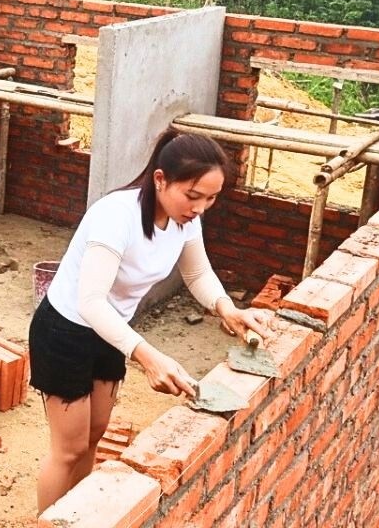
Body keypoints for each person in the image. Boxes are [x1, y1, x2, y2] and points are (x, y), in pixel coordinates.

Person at [29, 129, 275, 513]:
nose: (200, 208)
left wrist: (228, 308)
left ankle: (76, 517)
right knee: (68, 449)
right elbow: (91, 302)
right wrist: (146, 356)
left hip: (113, 331)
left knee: (94, 435)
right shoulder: (117, 216)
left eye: (211, 198)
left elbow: (197, 274)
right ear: (160, 179)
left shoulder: (186, 219)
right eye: (193, 196)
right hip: (66, 330)